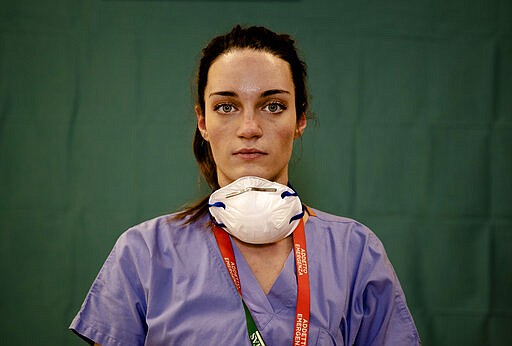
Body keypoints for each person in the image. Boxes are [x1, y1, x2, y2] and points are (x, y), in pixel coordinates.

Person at [70, 25, 421, 345]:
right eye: (226, 106)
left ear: (300, 119)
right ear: (202, 122)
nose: (249, 127)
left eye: (272, 105)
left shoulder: (355, 252)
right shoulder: (144, 253)